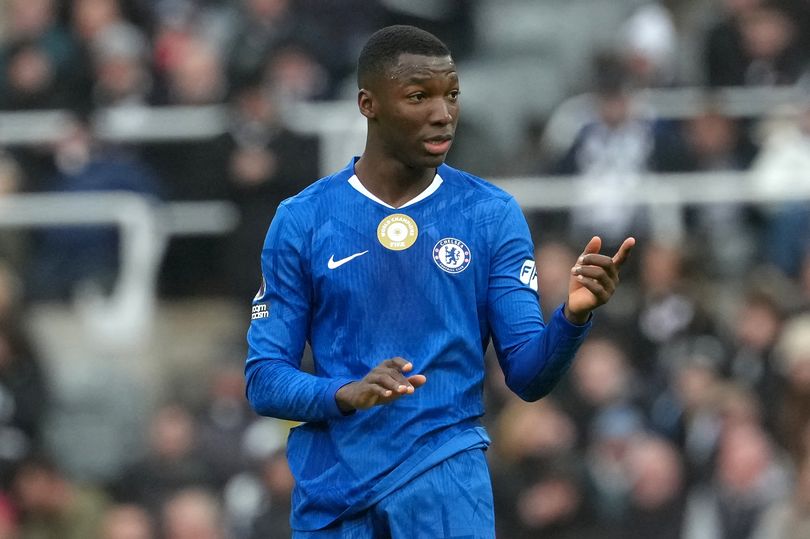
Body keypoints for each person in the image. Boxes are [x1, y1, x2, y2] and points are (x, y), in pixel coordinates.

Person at [245, 25, 635, 538]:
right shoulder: (303, 220)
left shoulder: (491, 215)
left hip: (446, 483)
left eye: (451, 95)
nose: (442, 112)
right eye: (418, 96)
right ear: (369, 104)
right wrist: (344, 393)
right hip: (335, 490)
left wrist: (573, 318)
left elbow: (527, 374)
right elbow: (264, 378)